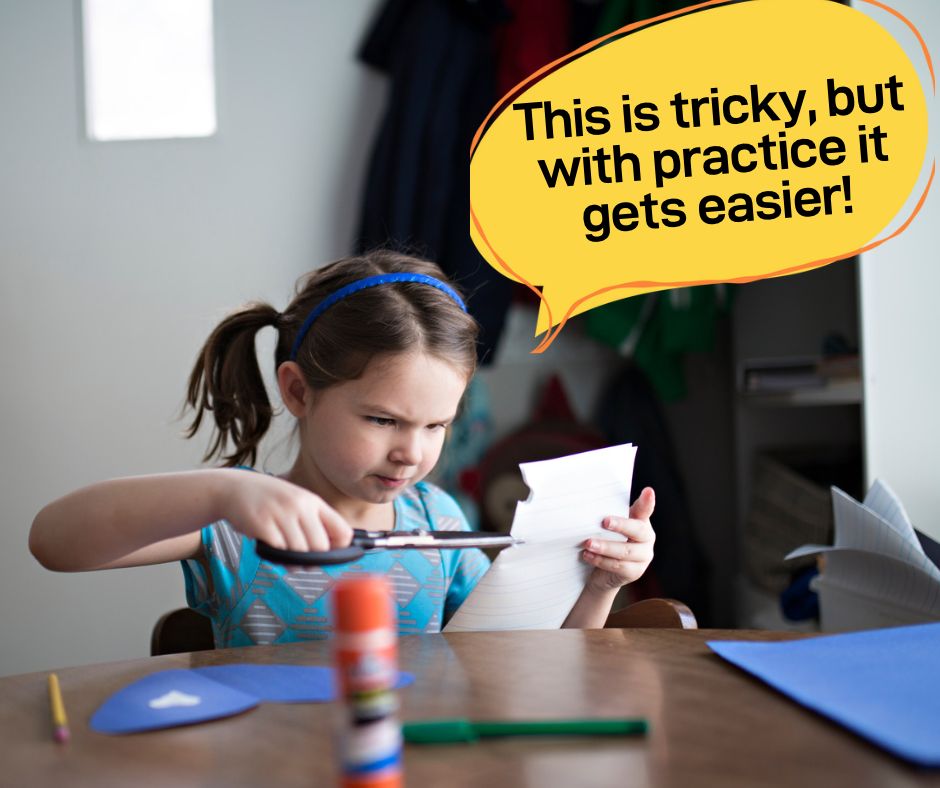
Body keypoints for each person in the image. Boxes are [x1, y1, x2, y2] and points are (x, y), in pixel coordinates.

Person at [30, 250, 656, 646]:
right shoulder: (234, 524)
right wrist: (224, 489)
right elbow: (53, 542)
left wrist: (599, 587)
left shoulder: (438, 523)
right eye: (384, 419)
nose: (412, 452)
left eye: (436, 426)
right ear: (299, 392)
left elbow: (525, 668)